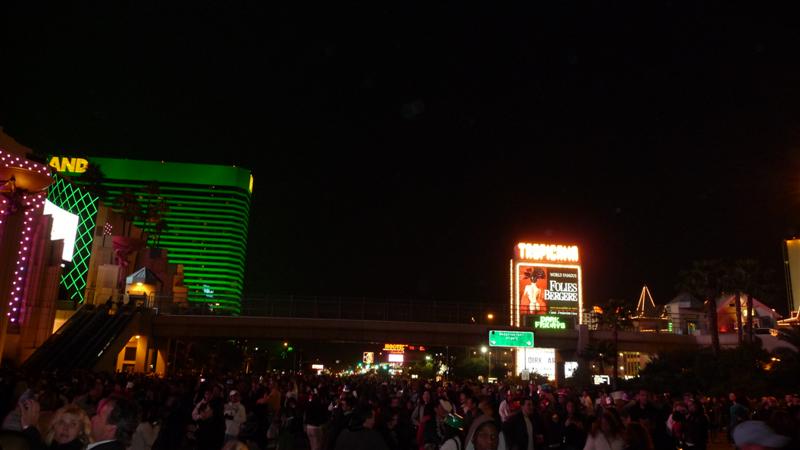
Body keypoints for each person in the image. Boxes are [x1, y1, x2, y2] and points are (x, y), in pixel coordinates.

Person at [20, 400, 92, 450]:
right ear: (54, 426)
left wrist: (30, 429)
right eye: (61, 422)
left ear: (80, 431)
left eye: (73, 424)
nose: (65, 428)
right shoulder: (50, 445)